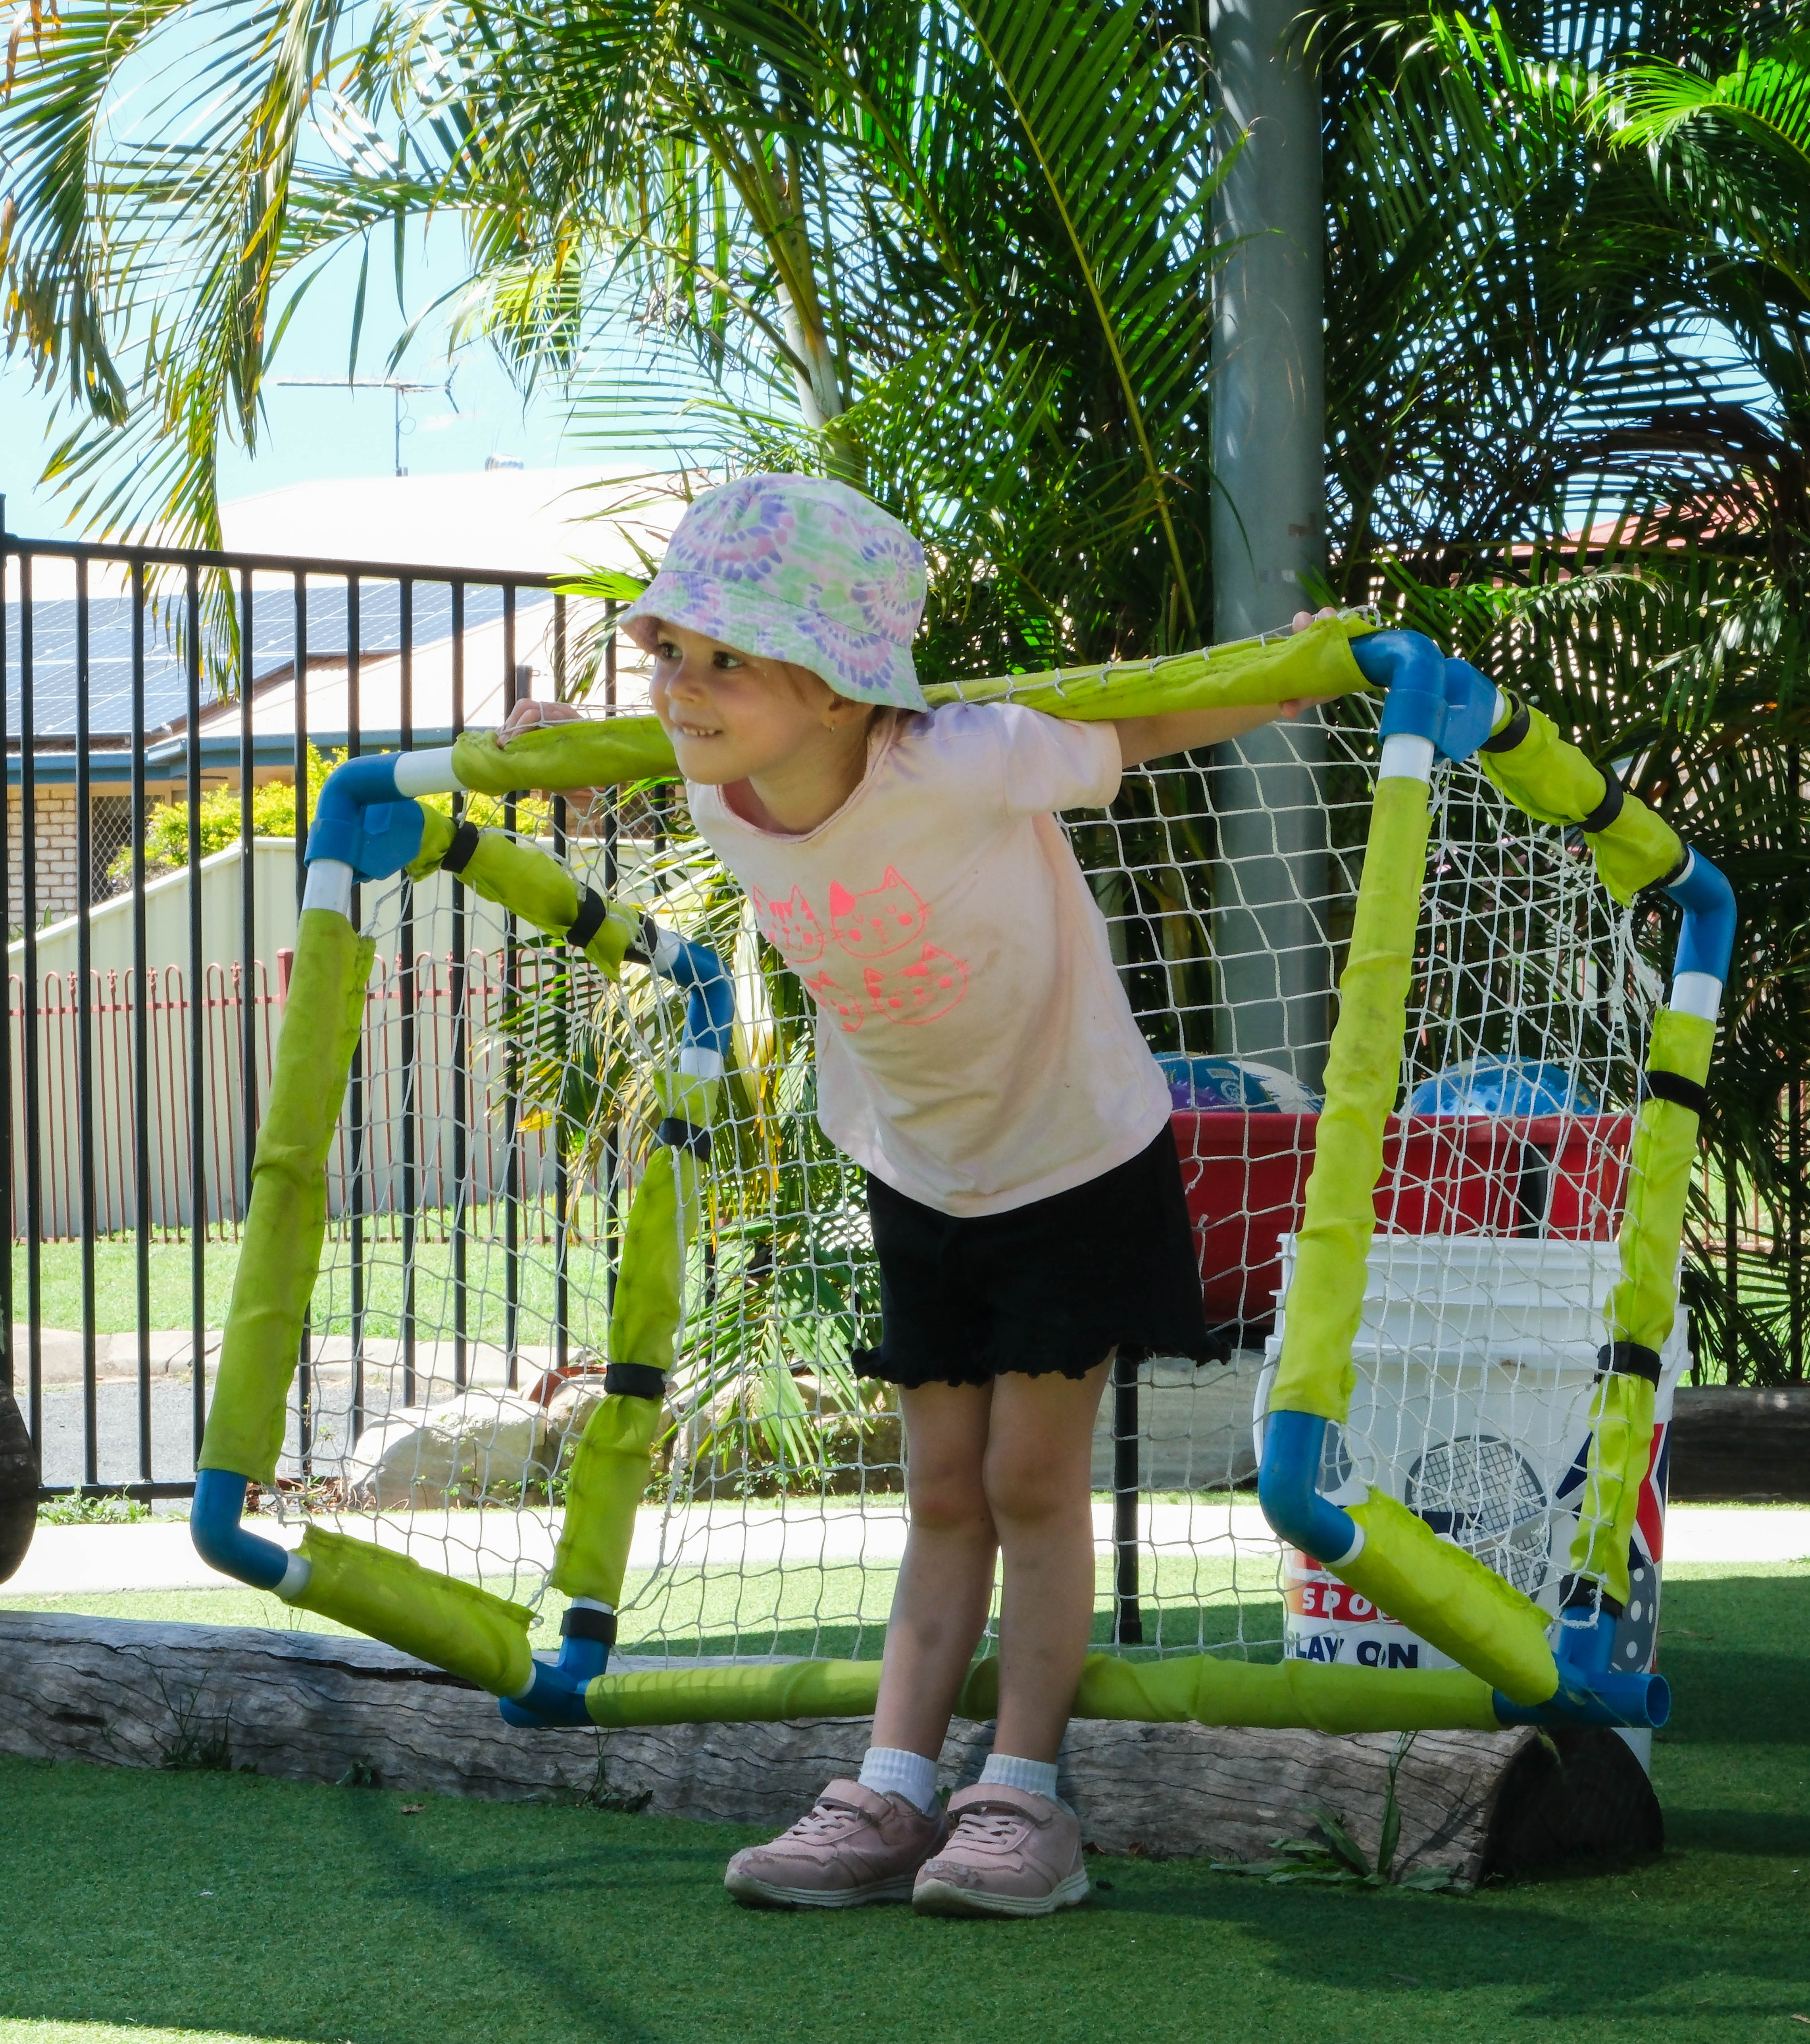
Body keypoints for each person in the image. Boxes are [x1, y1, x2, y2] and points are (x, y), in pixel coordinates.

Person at [504, 474, 1331, 1918]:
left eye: (727, 658)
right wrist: (545, 746)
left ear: (839, 692)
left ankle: (1023, 1797)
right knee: (942, 1492)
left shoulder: (962, 761)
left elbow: (1133, 722)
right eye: (669, 652)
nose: (684, 689)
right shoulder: (715, 766)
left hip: (1075, 1153)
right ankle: (893, 1791)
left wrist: (1285, 678)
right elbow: (634, 746)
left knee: (1028, 1483)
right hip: (918, 1161)